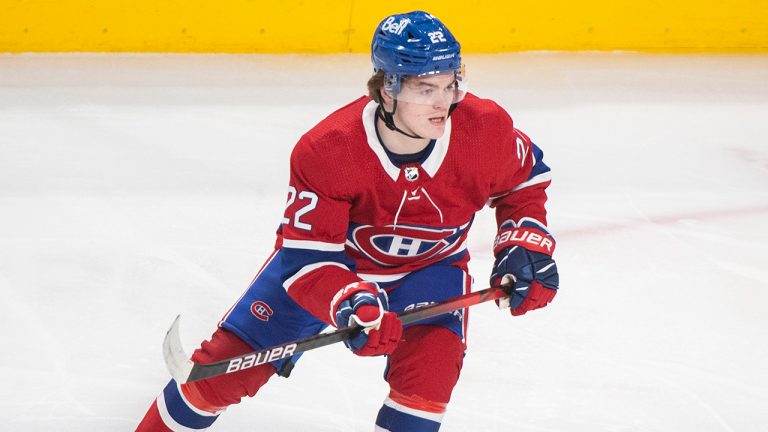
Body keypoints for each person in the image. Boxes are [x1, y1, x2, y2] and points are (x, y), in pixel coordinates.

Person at [136, 10, 559, 432]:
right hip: (333, 269)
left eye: (450, 84)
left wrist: (524, 242)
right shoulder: (328, 150)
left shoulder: (483, 127)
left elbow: (525, 182)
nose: (443, 102)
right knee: (219, 376)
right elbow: (306, 261)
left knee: (427, 388)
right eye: (426, 88)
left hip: (432, 269)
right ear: (387, 90)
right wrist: (349, 301)